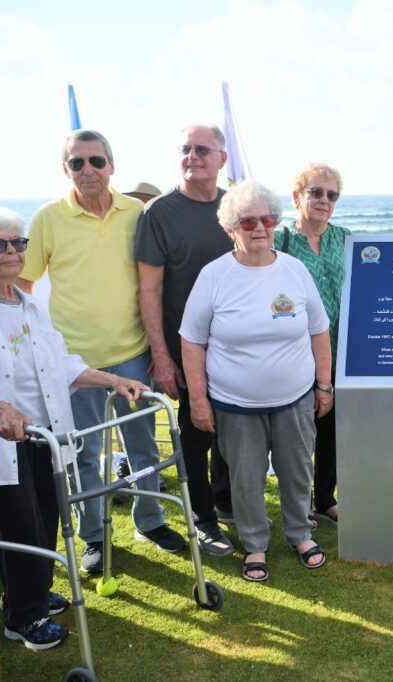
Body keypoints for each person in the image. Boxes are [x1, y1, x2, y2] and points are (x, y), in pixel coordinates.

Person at [0, 207, 147, 650]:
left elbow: (61, 363)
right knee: (18, 528)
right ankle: (24, 618)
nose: (13, 252)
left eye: (19, 242)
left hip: (44, 435)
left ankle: (28, 593)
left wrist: (112, 379)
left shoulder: (29, 303)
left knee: (46, 518)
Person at [16, 130, 183, 575]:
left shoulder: (138, 214)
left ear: (112, 165)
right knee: (83, 454)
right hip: (73, 363)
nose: (87, 170)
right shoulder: (47, 218)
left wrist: (159, 347)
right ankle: (94, 537)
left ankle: (151, 521)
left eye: (95, 161)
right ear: (65, 168)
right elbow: (24, 285)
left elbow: (154, 282)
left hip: (133, 352)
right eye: (77, 163)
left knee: (143, 447)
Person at [180, 180, 333, 581]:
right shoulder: (214, 276)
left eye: (266, 219)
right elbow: (192, 342)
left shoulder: (294, 269)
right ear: (231, 228)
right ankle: (255, 544)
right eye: (247, 221)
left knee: (297, 469)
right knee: (245, 478)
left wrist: (324, 385)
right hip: (235, 404)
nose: (259, 228)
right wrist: (198, 400)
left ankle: (300, 533)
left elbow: (318, 330)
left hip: (295, 398)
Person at [135, 124, 236, 557]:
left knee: (234, 429)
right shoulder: (158, 213)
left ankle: (228, 502)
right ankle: (203, 520)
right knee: (195, 432)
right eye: (185, 149)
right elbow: (150, 290)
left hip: (238, 349)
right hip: (186, 348)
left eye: (202, 149)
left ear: (221, 159)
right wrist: (161, 354)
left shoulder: (236, 206)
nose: (192, 156)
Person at [274, 163, 349, 525]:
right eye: (315, 192)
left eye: (331, 194)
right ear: (297, 197)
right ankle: (298, 503)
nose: (324, 200)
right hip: (296, 354)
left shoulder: (346, 239)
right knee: (299, 434)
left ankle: (325, 498)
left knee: (331, 432)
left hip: (341, 352)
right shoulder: (279, 241)